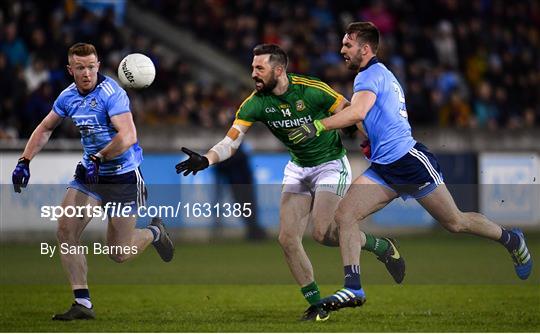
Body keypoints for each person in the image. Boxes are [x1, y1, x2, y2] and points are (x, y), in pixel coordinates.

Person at [288, 22, 533, 313]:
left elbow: (358, 111)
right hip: (384, 167)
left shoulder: (370, 75)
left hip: (409, 161)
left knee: (455, 222)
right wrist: (368, 138)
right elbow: (373, 117)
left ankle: (511, 239)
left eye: (347, 45)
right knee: (346, 216)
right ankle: (353, 287)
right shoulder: (378, 75)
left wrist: (318, 125)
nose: (342, 50)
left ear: (365, 49)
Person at [175, 44, 405, 321]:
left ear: (279, 70)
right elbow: (231, 142)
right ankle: (318, 304)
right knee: (287, 239)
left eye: (259, 68)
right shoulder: (255, 103)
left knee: (323, 233)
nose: (254, 74)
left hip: (330, 164)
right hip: (298, 168)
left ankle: (381, 247)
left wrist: (368, 138)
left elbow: (349, 110)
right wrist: (207, 159)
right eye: (252, 68)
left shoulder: (311, 89)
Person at [11, 43, 174, 321]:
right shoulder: (67, 97)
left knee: (118, 252)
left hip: (123, 176)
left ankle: (155, 233)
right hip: (90, 175)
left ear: (98, 65)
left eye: (91, 66)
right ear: (70, 69)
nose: (86, 73)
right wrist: (24, 161)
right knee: (65, 231)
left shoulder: (113, 94)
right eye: (80, 68)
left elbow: (128, 137)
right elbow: (46, 127)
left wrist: (99, 157)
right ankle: (83, 303)